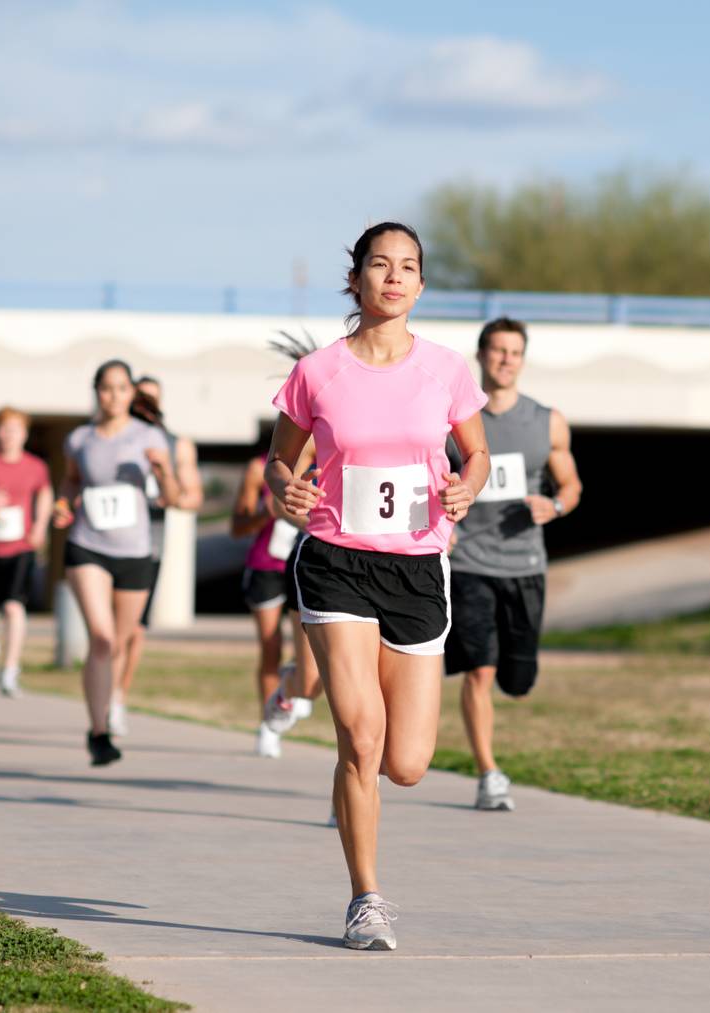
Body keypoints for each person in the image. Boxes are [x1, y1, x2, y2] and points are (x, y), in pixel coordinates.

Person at [267, 222, 489, 950]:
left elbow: (476, 453)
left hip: (419, 570)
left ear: (420, 285)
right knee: (361, 738)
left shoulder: (448, 370)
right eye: (379, 265)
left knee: (408, 763)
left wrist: (465, 489)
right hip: (335, 560)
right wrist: (286, 493)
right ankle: (366, 897)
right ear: (356, 279)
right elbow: (279, 463)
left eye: (408, 267)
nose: (394, 277)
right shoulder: (319, 372)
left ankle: (362, 804)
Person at [444, 318, 583, 811]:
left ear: (522, 360)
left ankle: (510, 692)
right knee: (478, 671)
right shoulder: (455, 418)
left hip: (525, 564)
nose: (506, 359)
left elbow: (571, 485)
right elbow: (427, 473)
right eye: (497, 350)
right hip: (469, 564)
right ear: (481, 356)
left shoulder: (547, 421)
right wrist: (443, 520)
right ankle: (489, 774)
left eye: (514, 352)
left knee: (517, 682)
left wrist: (556, 506)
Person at [55, 360, 179, 766]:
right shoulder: (80, 439)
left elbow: (174, 497)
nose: (113, 396)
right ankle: (99, 730)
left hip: (135, 551)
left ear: (131, 393)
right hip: (87, 545)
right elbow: (72, 479)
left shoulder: (150, 436)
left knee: (122, 643)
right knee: (103, 639)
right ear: (97, 391)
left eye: (121, 388)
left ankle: (113, 705)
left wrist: (161, 471)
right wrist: (63, 501)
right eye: (106, 388)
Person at [110, 374, 202, 735]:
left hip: (149, 542)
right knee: (106, 630)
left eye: (152, 400)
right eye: (140, 399)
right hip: (104, 540)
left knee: (133, 629)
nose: (145, 406)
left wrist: (169, 487)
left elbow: (191, 499)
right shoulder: (108, 435)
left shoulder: (176, 444)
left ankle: (118, 696)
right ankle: (105, 690)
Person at [233, 444, 319, 758]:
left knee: (311, 661)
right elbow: (236, 527)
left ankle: (297, 676)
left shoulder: (332, 453)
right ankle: (268, 728)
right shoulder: (261, 468)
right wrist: (265, 512)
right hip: (267, 564)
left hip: (307, 559)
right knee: (271, 647)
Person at [0, 408, 53, 698]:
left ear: (25, 434)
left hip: (20, 546)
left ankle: (11, 668)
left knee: (15, 607)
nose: (9, 435)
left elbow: (45, 492)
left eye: (15, 429)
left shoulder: (35, 466)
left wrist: (41, 525)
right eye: (4, 429)